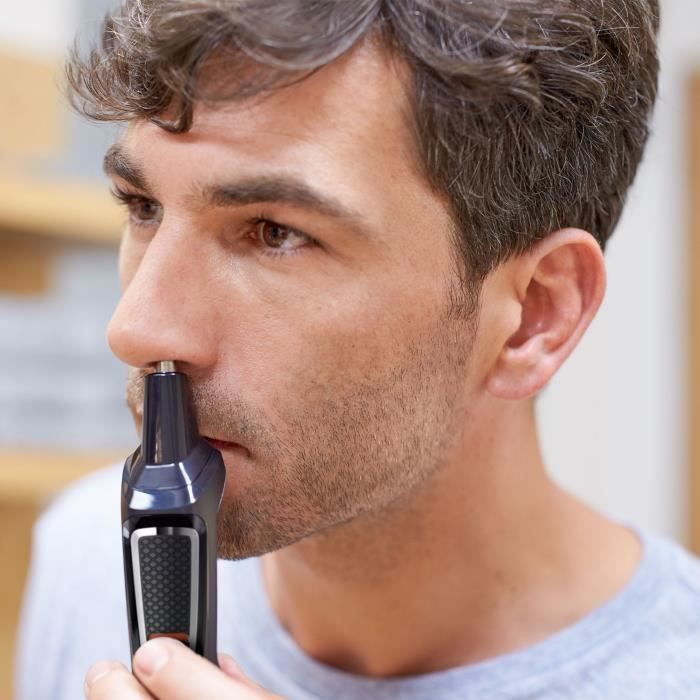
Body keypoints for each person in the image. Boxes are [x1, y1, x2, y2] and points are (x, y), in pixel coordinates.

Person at [16, 0, 700, 698]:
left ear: (534, 316)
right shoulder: (85, 560)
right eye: (143, 206)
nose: (133, 329)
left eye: (276, 232)